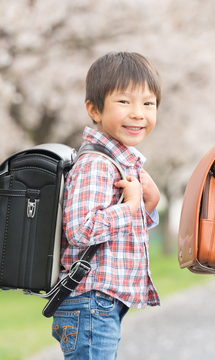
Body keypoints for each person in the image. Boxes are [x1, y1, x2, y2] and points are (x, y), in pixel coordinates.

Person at [51, 52, 162, 359]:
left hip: (100, 302)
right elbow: (81, 229)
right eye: (124, 102)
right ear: (94, 110)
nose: (138, 113)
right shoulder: (96, 164)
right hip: (90, 301)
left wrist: (146, 203)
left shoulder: (120, 163)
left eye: (148, 103)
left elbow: (118, 231)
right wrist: (129, 208)